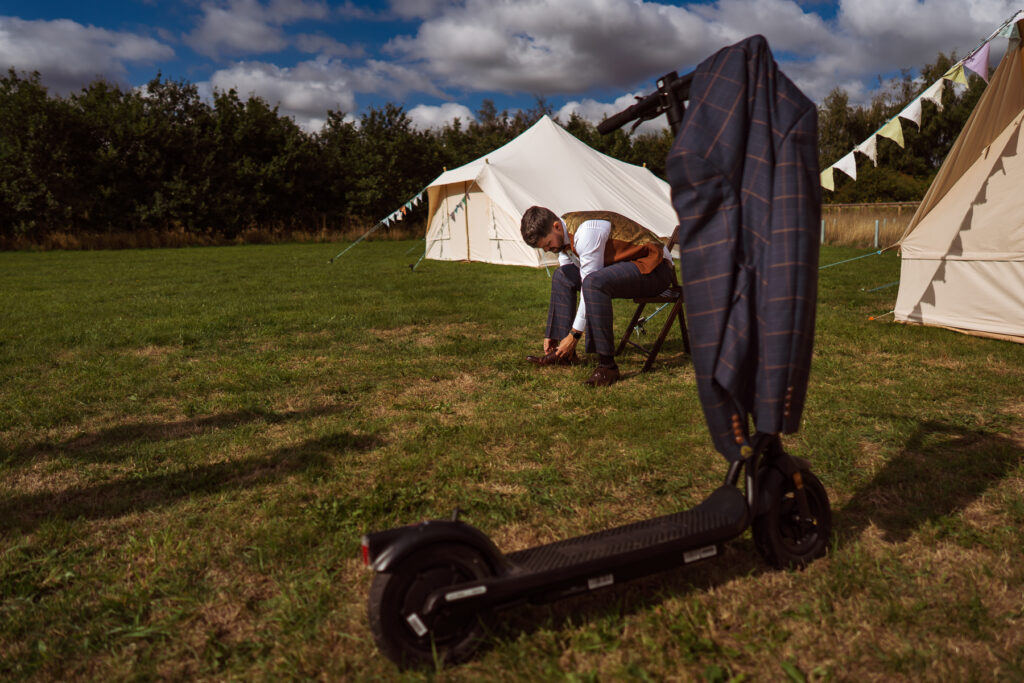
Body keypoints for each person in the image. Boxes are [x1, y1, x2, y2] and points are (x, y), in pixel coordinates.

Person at [520, 206, 674, 387]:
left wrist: (574, 335)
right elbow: (568, 271)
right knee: (562, 276)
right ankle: (562, 354)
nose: (549, 250)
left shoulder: (586, 232)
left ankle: (607, 367)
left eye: (547, 244)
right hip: (627, 267)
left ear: (555, 227)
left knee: (594, 283)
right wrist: (552, 334)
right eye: (544, 248)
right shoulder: (561, 234)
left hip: (655, 269)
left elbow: (589, 284)